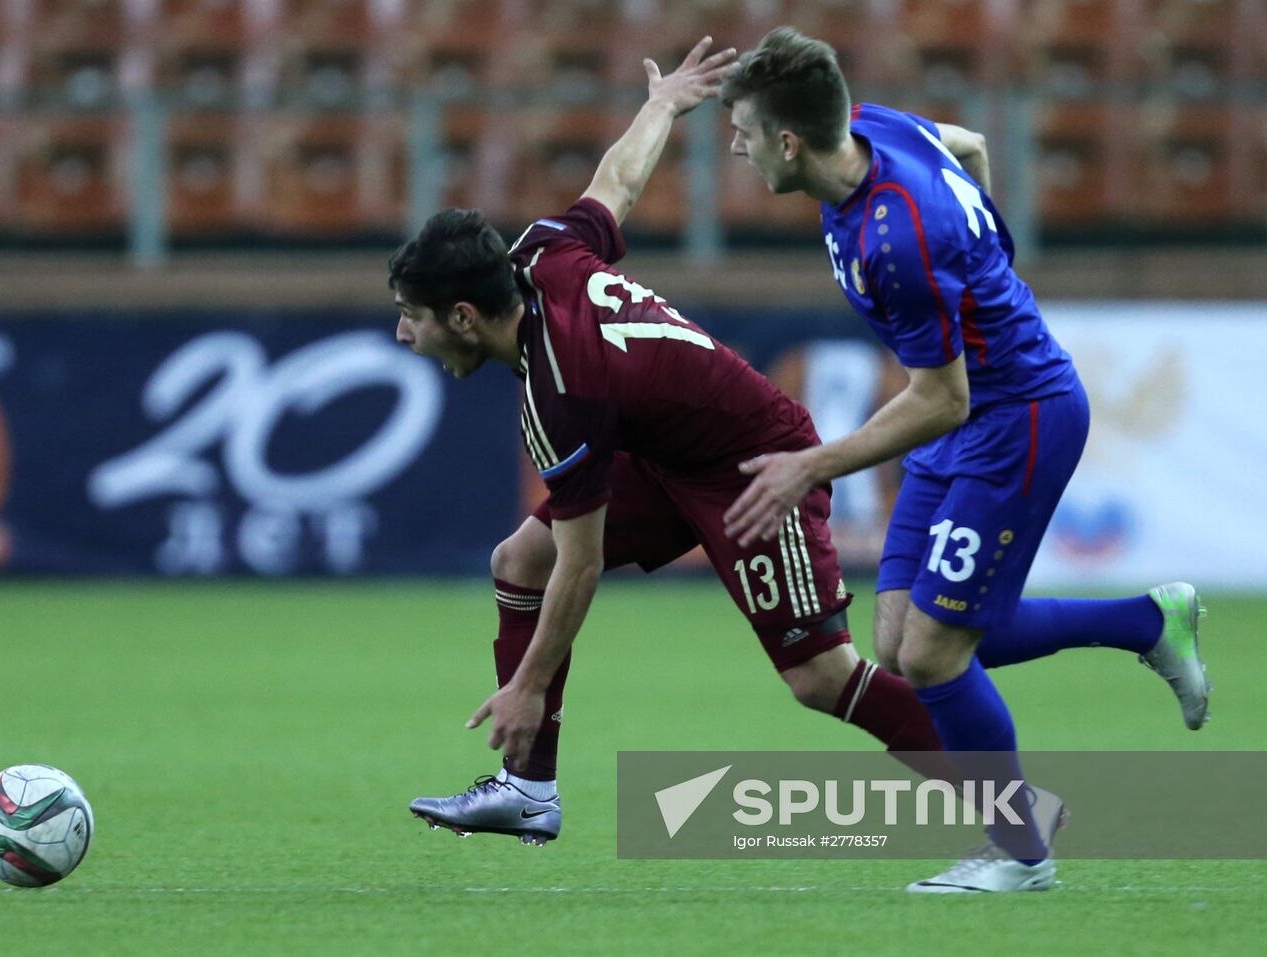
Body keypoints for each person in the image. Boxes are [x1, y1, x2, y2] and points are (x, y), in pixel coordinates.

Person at [390, 39, 1054, 853]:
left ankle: (1014, 804)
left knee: (821, 677)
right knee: (516, 561)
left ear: (463, 317)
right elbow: (618, 183)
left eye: (412, 316)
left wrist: (526, 687)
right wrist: (661, 105)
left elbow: (584, 562)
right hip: (676, 455)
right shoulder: (540, 252)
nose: (403, 333)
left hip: (752, 463)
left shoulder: (562, 383)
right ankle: (529, 790)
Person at [718, 27, 1209, 892]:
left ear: (789, 140)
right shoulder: (874, 128)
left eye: (745, 131)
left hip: (1016, 416)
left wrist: (813, 465)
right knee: (904, 643)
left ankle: (1024, 855)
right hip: (968, 415)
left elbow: (941, 396)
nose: (736, 145)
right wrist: (976, 271)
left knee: (937, 655)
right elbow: (972, 145)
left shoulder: (898, 241)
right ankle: (1147, 620)